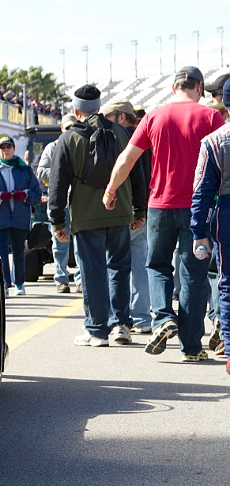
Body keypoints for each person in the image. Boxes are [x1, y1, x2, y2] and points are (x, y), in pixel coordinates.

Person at [104, 66, 225, 360]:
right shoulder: (211, 117)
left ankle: (163, 318)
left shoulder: (154, 116)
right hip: (199, 208)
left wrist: (110, 190)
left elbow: (127, 159)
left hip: (159, 205)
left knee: (157, 265)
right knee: (194, 274)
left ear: (173, 87)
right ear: (199, 88)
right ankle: (191, 347)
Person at [49, 85, 141, 347]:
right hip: (120, 210)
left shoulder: (68, 138)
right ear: (99, 107)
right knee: (120, 269)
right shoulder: (122, 133)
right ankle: (121, 325)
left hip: (87, 216)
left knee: (92, 271)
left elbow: (57, 183)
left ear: (76, 110)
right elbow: (137, 171)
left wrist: (57, 220)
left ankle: (97, 330)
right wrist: (139, 209)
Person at [101, 98, 151, 332]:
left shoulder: (120, 138)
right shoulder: (149, 135)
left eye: (108, 117)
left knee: (115, 265)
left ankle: (118, 319)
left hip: (122, 209)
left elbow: (133, 173)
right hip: (149, 207)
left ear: (121, 117)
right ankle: (142, 318)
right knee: (141, 264)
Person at [191, 78, 230, 373]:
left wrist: (198, 232)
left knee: (227, 283)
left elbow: (202, 191)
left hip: (227, 214)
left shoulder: (215, 140)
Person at [0, 135, 41, 295]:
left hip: (20, 218)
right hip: (0, 218)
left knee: (19, 251)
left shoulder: (24, 169)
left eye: (8, 147)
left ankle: (20, 284)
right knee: (1, 253)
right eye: (2, 147)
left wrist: (25, 195)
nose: (6, 150)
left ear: (14, 148)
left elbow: (37, 193)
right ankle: (5, 284)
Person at [35, 113, 81, 294]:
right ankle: (61, 279)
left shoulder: (81, 146)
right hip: (59, 201)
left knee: (80, 243)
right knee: (59, 242)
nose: (70, 131)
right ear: (62, 129)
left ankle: (80, 280)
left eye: (73, 128)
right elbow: (41, 172)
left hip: (78, 201)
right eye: (67, 128)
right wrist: (61, 174)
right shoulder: (52, 148)